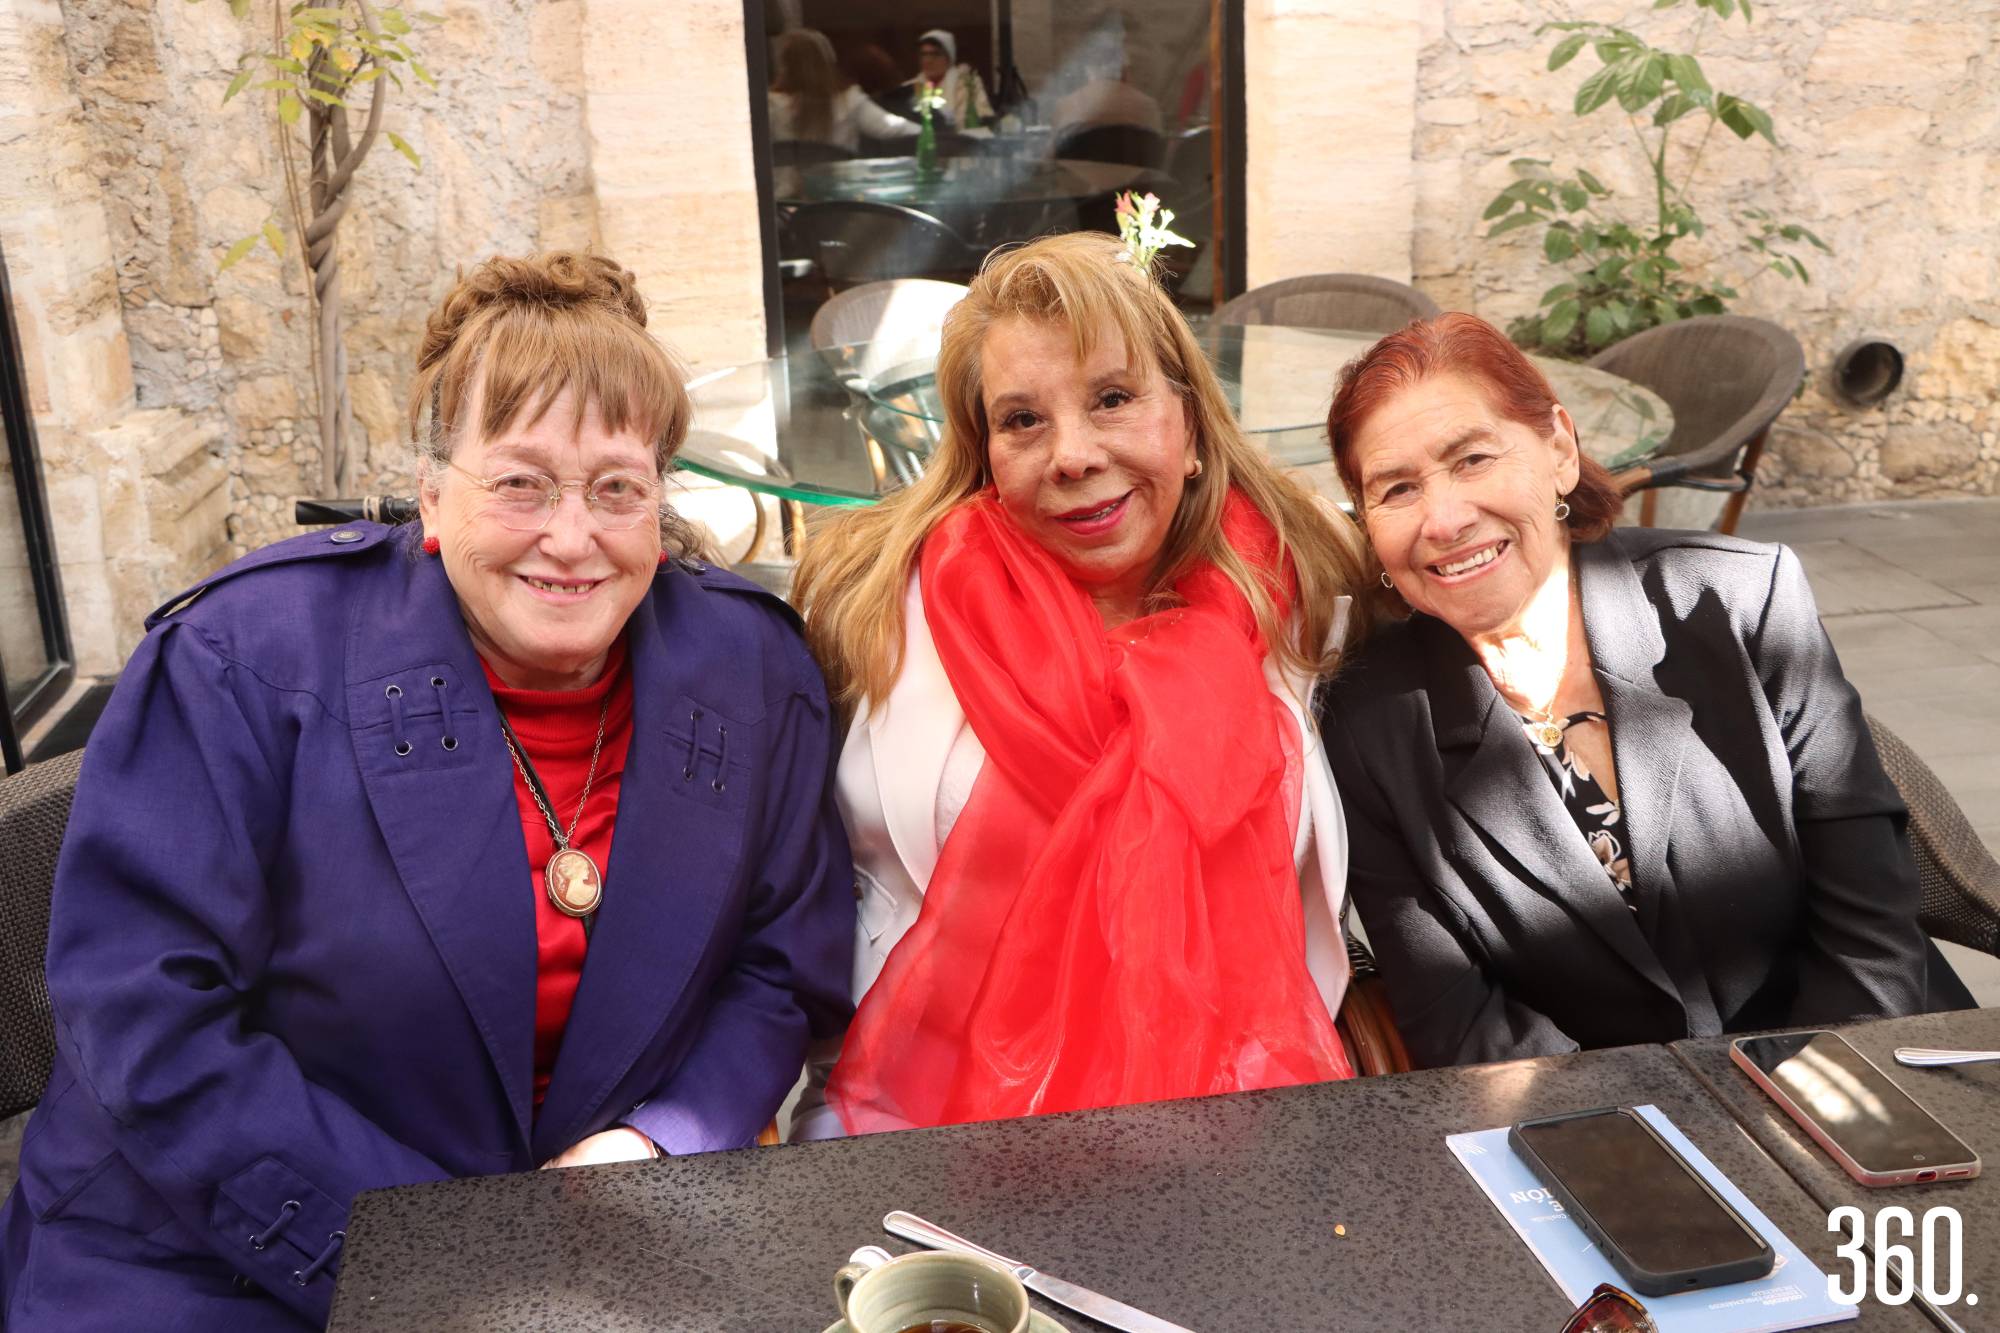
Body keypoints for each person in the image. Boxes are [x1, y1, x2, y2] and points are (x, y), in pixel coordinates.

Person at [0, 252, 852, 1330]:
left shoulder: (748, 670)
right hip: (218, 1247)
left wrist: (659, 1142)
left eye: (616, 488)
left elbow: (780, 967)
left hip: (592, 1242)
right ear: (432, 497)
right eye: (520, 482)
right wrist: (432, 1255)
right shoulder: (241, 657)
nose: (571, 536)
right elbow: (146, 1013)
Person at [789, 232, 1371, 1136]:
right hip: (921, 1119)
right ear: (984, 452)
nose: (1071, 454)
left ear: (1188, 426)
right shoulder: (872, 604)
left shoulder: (1301, 592)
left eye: (1111, 399)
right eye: (1023, 420)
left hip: (1244, 1119)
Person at [1315, 313, 1972, 1070]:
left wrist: (1801, 1111)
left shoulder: (1741, 602)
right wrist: (1633, 1144)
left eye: (1471, 459)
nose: (1445, 519)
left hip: (1866, 1066)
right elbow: (1459, 1020)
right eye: (1396, 488)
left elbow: (1871, 929)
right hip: (1607, 1131)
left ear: (1559, 448)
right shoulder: (1367, 723)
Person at [769, 28, 918, 154]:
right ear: (827, 63)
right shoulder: (849, 102)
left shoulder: (768, 105)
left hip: (784, 189)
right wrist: (933, 136)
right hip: (840, 186)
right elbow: (898, 130)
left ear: (784, 66)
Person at [904, 27, 994, 130]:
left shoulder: (969, 84)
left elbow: (982, 118)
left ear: (949, 57)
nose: (928, 60)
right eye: (924, 54)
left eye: (935, 54)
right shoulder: (909, 88)